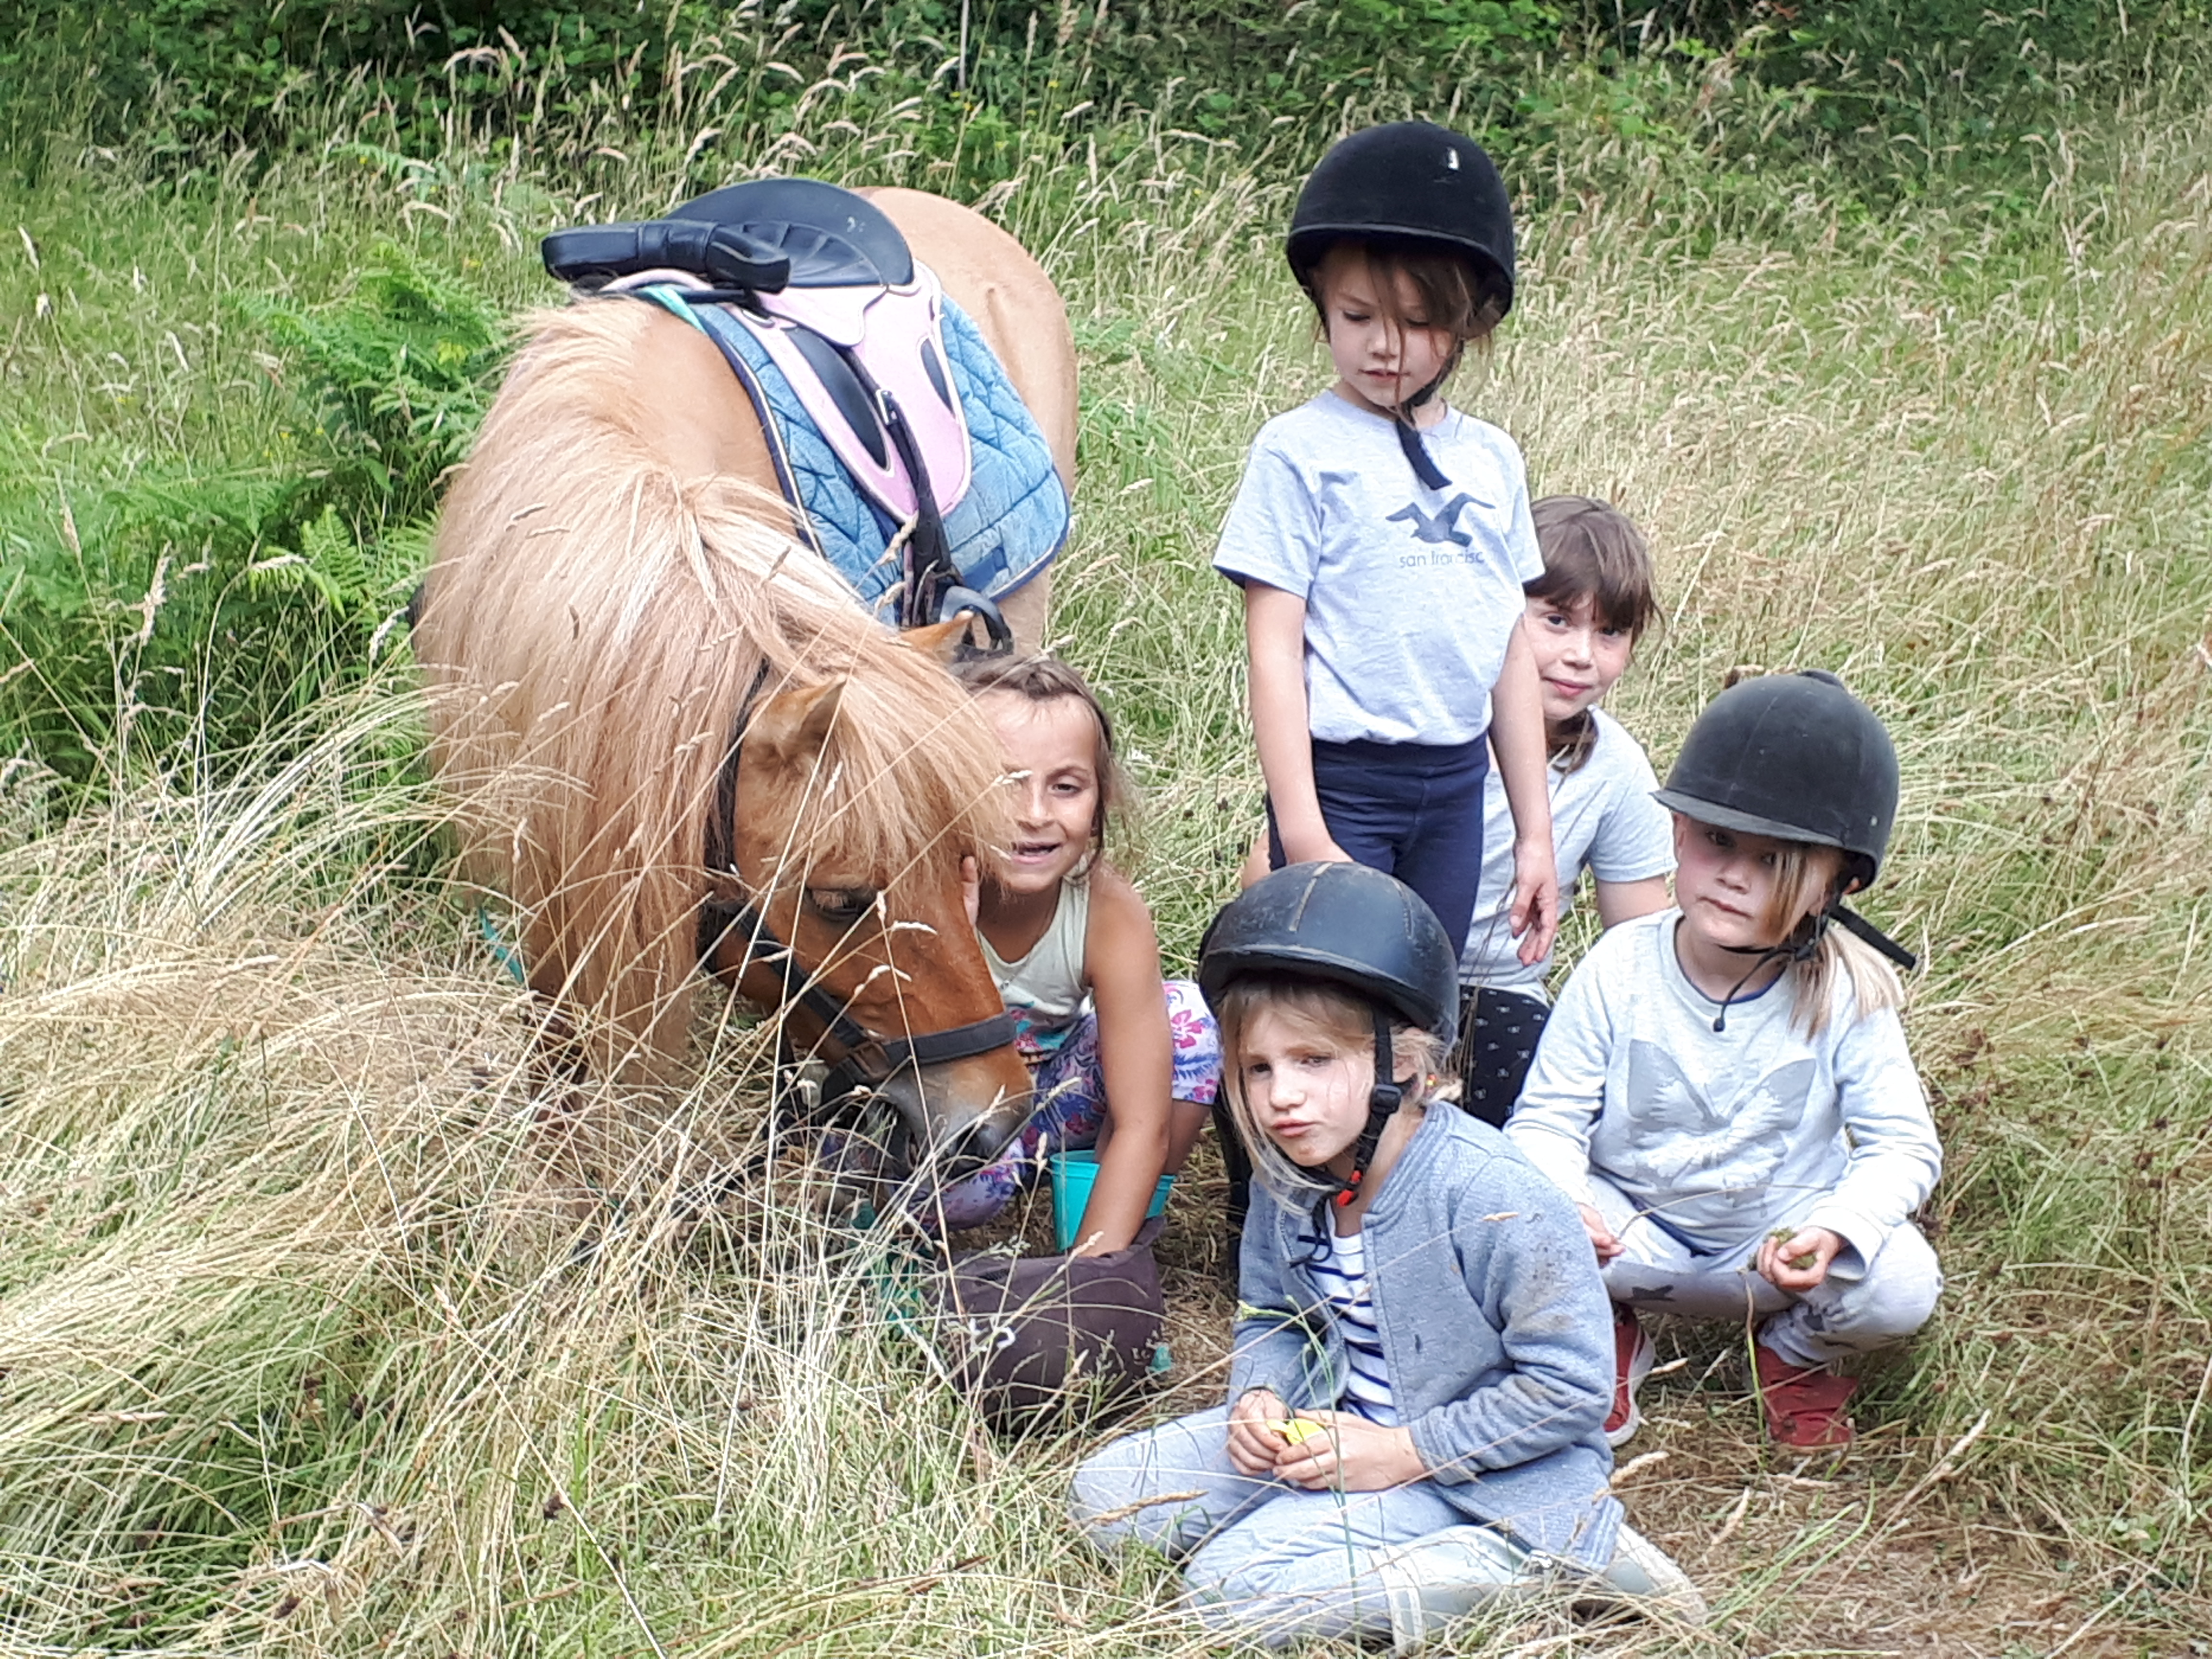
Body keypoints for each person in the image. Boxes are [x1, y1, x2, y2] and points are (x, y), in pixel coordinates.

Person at [1071, 863, 1702, 1648]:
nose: (1280, 1097)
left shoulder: (1492, 1192)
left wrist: (1403, 1453)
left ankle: (1539, 1562)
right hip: (1332, 1426)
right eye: (1258, 1069)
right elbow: (1275, 1311)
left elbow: (1570, 1388)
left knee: (1227, 1593)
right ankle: (1342, 1531)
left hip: (1478, 1470)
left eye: (1312, 1061)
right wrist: (1259, 1398)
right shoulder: (1287, 1173)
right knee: (1102, 1500)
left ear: (1403, 1060)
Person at [1507, 671, 1943, 1451]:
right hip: (1626, 1239)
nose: (1734, 875)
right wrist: (1564, 1197)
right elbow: (1546, 1116)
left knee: (1903, 1283)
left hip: (1772, 1252)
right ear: (1678, 834)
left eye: (1774, 859)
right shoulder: (1620, 963)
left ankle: (1795, 1355)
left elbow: (1902, 1145)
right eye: (1716, 840)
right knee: (1508, 1213)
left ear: (1836, 882)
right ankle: (1596, 1336)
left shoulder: (1847, 990)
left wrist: (1835, 1230)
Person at [1214, 120, 1559, 969]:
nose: (1385, 345)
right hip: (1343, 782)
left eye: (1418, 320)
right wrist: (1302, 828)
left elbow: (1507, 650)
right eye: (1358, 315)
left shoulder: (1490, 459)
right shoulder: (1298, 451)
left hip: (1452, 789)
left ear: (1468, 326)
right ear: (1321, 306)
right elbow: (1273, 647)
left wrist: (1534, 835)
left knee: (1416, 994)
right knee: (1323, 989)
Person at [927, 654, 1217, 1253]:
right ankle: (888, 1247)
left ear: (1099, 799)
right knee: (964, 1191)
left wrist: (1088, 1287)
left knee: (1189, 1023)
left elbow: (1143, 1122)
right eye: (1003, 783)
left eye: (1065, 787)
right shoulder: (914, 888)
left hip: (1049, 1107)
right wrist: (951, 933)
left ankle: (1103, 1215)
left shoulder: (1106, 908)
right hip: (939, 1111)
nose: (1034, 815)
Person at [1457, 496, 1673, 1125]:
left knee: (1532, 1102)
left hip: (1498, 993)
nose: (1583, 654)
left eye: (1609, 632)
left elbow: (1640, 943)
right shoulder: (1430, 722)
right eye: (1555, 619)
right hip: (1381, 972)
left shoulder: (1617, 770)